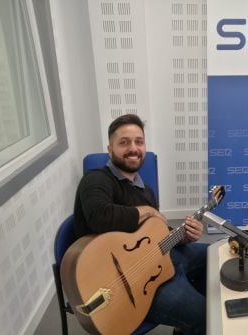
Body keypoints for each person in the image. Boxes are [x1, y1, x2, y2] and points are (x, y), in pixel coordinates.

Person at [73, 114, 206, 335]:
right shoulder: (96, 179)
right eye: (124, 142)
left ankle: (184, 327)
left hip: (156, 262)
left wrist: (184, 236)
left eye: (139, 141)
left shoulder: (145, 190)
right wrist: (146, 211)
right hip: (127, 287)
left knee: (213, 254)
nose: (133, 148)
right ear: (110, 149)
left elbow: (153, 235)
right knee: (204, 314)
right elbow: (99, 216)